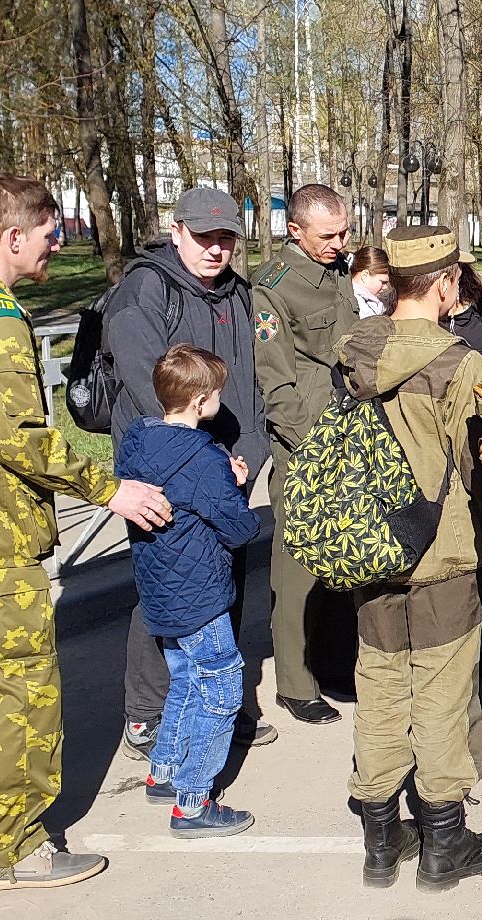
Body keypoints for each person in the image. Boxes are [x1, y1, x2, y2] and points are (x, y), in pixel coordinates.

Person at [0, 172, 170, 889]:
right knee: (18, 691)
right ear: (12, 238)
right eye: (50, 236)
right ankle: (11, 847)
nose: (58, 245)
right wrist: (110, 487)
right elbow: (15, 438)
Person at [337, 225, 482, 892]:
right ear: (444, 285)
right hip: (442, 559)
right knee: (440, 696)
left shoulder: (353, 349)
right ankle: (443, 846)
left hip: (369, 552)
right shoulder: (460, 364)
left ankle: (381, 845)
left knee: (378, 688)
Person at [111, 187, 277, 762]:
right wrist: (203, 463)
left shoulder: (239, 293)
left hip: (227, 461)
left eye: (225, 237)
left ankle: (216, 705)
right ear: (175, 229)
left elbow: (254, 384)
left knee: (222, 577)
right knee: (168, 585)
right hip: (166, 467)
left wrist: (247, 455)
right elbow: (147, 387)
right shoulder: (143, 290)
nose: (215, 248)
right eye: (204, 236)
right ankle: (148, 713)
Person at [120, 345, 262, 839]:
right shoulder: (202, 459)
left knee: (182, 676)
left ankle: (164, 772)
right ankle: (193, 802)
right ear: (202, 402)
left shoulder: (138, 440)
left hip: (159, 587)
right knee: (221, 688)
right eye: (218, 394)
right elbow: (240, 529)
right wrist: (236, 484)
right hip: (200, 591)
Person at [252, 183, 361, 726]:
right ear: (294, 231)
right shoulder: (273, 287)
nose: (342, 243)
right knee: (297, 566)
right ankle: (296, 683)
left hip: (350, 430)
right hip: (305, 443)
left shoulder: (336, 271)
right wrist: (313, 446)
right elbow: (276, 384)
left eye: (343, 231)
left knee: (345, 557)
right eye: (329, 235)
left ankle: (337, 665)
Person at [350, 245, 392, 317]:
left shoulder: (370, 301)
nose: (385, 287)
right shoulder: (356, 306)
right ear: (365, 276)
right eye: (382, 282)